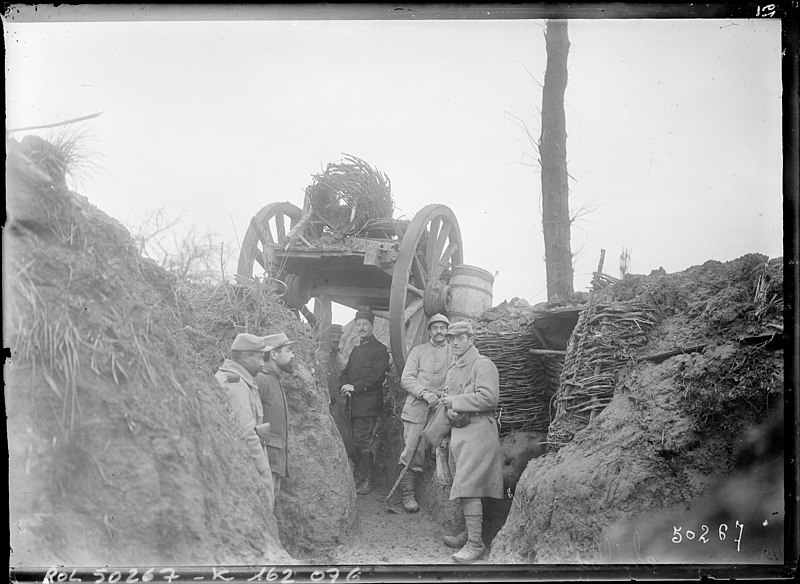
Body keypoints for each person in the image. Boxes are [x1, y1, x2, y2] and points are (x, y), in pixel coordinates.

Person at [439, 321, 503, 564]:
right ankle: (470, 532)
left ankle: (475, 544)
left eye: (459, 338)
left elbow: (489, 398)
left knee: (469, 487)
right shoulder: (453, 369)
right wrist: (451, 410)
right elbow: (448, 400)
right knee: (465, 486)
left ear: (471, 339)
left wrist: (456, 402)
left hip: (478, 433)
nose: (454, 342)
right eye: (450, 338)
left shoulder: (483, 364)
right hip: (460, 435)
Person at [215, 333, 276, 511]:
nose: (263, 364)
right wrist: (263, 473)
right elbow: (247, 435)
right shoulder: (234, 385)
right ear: (247, 356)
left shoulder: (242, 381)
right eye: (259, 358)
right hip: (244, 473)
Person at [398, 313, 451, 512]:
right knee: (413, 449)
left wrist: (442, 397)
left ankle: (440, 496)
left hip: (441, 408)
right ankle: (408, 494)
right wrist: (424, 393)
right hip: (417, 407)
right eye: (435, 328)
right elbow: (407, 378)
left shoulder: (453, 353)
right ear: (429, 331)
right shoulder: (418, 352)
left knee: (444, 447)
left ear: (447, 331)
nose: (439, 331)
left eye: (442, 328)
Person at [340, 309, 390, 495]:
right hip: (352, 405)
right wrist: (344, 385)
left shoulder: (380, 350)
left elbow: (375, 378)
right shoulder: (355, 350)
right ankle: (360, 474)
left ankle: (369, 479)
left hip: (369, 405)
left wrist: (355, 387)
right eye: (358, 324)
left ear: (372, 326)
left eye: (365, 324)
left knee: (364, 441)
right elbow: (345, 373)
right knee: (354, 441)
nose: (361, 328)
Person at [255, 332, 296, 498]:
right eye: (289, 350)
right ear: (273, 354)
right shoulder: (261, 381)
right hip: (264, 463)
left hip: (274, 462)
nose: (292, 355)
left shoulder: (275, 380)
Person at [326, 324, 356, 460]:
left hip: (342, 402)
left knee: (346, 433)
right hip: (329, 402)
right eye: (333, 336)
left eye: (338, 336)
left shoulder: (340, 355)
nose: (335, 339)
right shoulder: (323, 355)